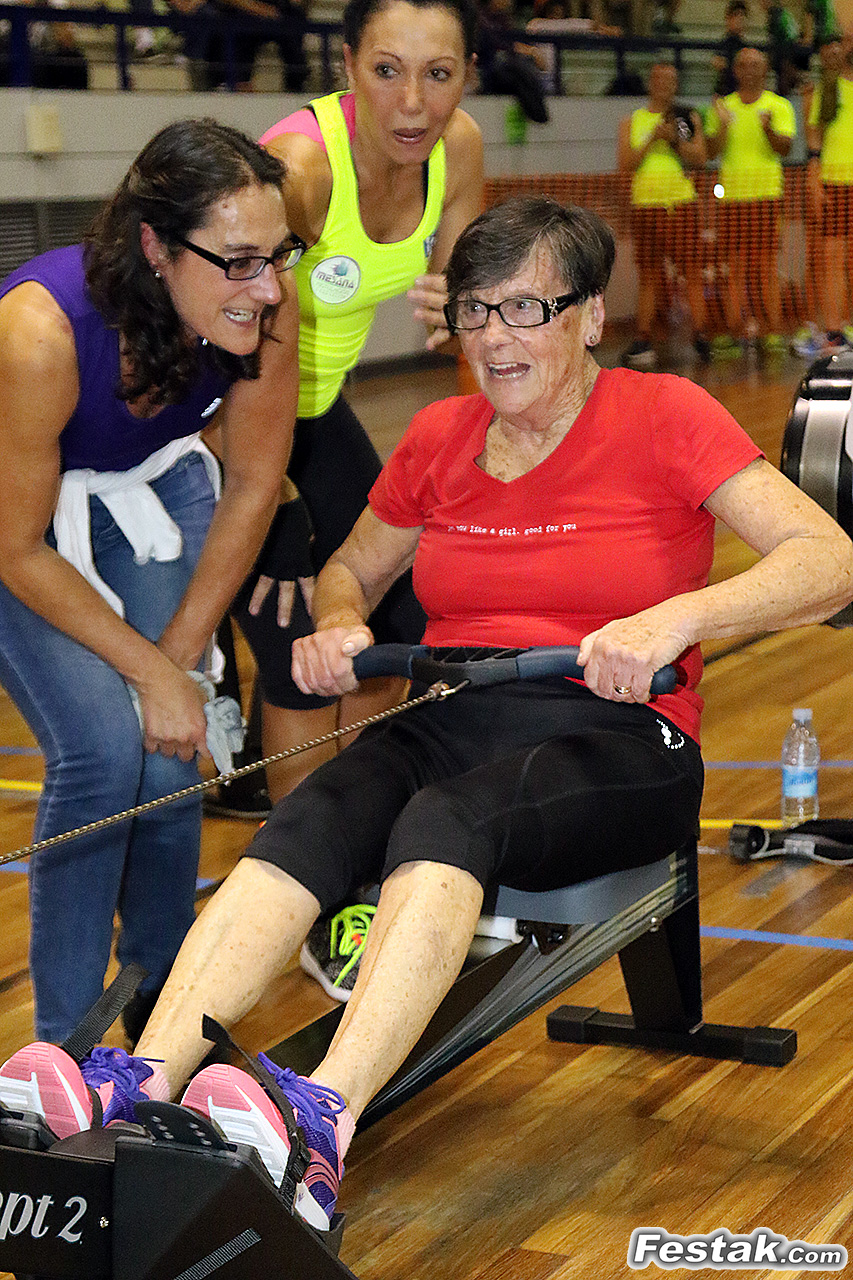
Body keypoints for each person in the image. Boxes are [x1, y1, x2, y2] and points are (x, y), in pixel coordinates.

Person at [2, 195, 850, 1232]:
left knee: (444, 823)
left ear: (589, 315)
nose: (495, 338)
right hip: (457, 710)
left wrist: (671, 617)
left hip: (619, 732)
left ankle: (321, 1121)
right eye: (478, 311)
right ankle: (135, 1077)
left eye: (527, 309)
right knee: (308, 819)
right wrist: (340, 620)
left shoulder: (666, 414)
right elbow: (353, 565)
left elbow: (827, 559)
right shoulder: (443, 435)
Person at [0, 119, 300, 1046]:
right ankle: (60, 1053)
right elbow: (16, 545)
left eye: (280, 255)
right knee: (103, 752)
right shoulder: (36, 336)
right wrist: (153, 675)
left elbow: (253, 485)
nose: (271, 286)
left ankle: (166, 1020)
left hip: (146, 485)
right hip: (20, 524)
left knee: (168, 752)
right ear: (156, 249)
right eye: (241, 260)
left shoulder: (264, 315)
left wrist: (178, 664)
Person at [204, 0, 484, 820]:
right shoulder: (299, 171)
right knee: (296, 653)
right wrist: (259, 482)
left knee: (393, 621)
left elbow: (457, 290)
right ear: (349, 67)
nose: (412, 104)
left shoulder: (456, 146)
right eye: (387, 70)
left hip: (313, 414)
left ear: (466, 76)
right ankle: (296, 868)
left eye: (438, 74)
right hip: (219, 422)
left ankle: (350, 837)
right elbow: (206, 344)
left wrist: (456, 305)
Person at [705, 46, 796, 358]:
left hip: (767, 197)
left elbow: (785, 148)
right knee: (735, 267)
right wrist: (723, 125)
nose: (750, 69)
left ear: (765, 69)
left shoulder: (779, 105)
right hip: (731, 199)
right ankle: (735, 329)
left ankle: (771, 331)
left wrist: (768, 129)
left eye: (756, 64)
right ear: (736, 70)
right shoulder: (721, 107)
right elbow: (710, 151)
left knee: (767, 266)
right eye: (744, 64)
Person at [617, 62, 709, 368]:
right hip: (646, 205)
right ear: (650, 83)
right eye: (659, 79)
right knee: (649, 274)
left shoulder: (687, 117)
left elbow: (700, 158)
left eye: (671, 80)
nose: (664, 85)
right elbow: (626, 163)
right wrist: (651, 139)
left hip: (681, 204)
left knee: (692, 271)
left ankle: (700, 334)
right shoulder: (633, 121)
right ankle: (643, 337)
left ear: (676, 85)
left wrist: (673, 140)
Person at [797, 34, 853, 355]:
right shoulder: (824, 90)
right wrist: (814, 179)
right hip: (834, 182)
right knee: (833, 257)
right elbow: (814, 140)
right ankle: (834, 330)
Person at [712, 0, 749, 97]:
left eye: (743, 16)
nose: (740, 20)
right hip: (726, 91)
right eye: (736, 15)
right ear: (728, 19)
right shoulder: (723, 44)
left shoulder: (746, 47)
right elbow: (717, 63)